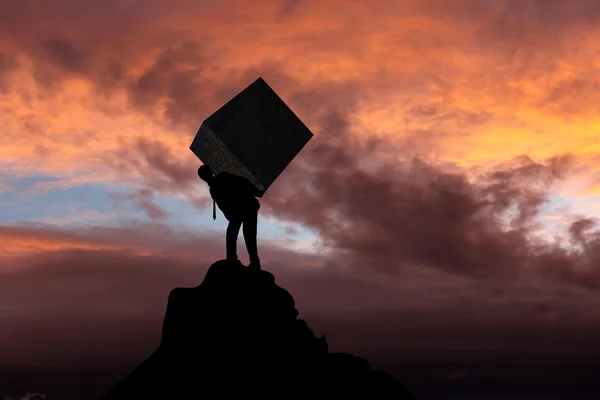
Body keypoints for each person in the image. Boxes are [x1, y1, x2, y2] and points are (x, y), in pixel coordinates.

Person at [198, 164, 264, 270]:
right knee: (234, 233)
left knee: (248, 234)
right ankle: (233, 259)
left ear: (209, 174)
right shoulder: (213, 189)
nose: (206, 179)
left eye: (206, 175)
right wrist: (232, 216)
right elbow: (223, 206)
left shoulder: (222, 177)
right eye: (204, 177)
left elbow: (242, 181)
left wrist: (255, 190)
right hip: (238, 211)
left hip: (247, 205)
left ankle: (252, 262)